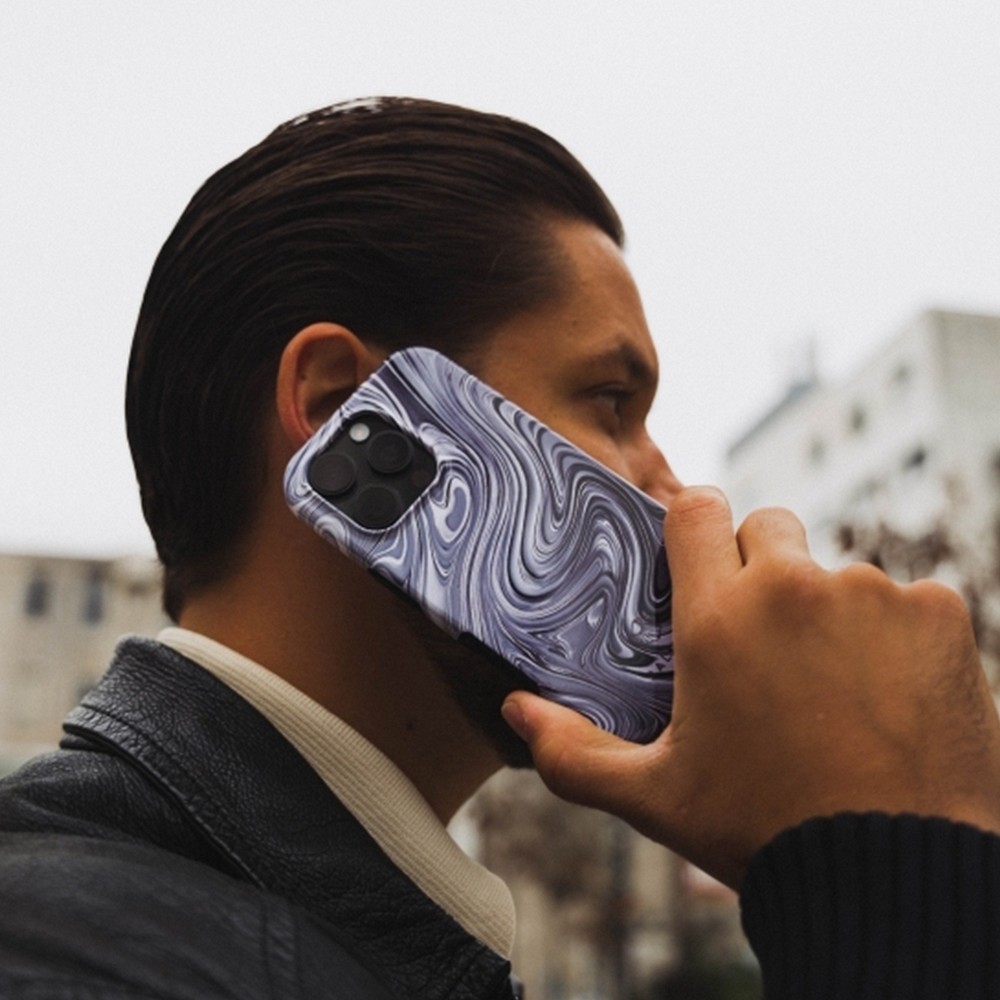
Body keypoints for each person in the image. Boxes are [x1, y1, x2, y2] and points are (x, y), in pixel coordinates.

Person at [1, 96, 998, 998]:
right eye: (611, 401)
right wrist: (887, 874)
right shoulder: (66, 952)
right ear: (345, 407)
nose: (674, 492)